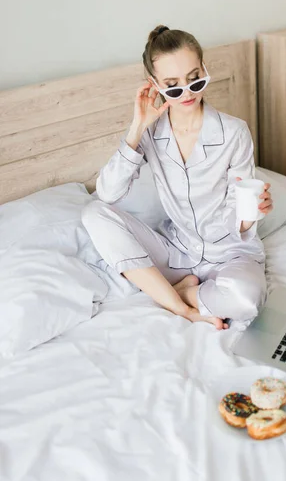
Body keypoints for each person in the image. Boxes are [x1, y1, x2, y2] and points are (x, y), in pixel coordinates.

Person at [82, 25, 273, 330]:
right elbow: (107, 193)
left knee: (247, 300)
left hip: (230, 252)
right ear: (154, 85)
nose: (186, 93)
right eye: (172, 86)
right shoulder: (150, 133)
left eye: (194, 79)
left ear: (204, 70)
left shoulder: (234, 133)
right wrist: (136, 128)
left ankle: (187, 291)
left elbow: (237, 215)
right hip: (178, 251)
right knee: (93, 213)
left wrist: (252, 216)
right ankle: (178, 305)